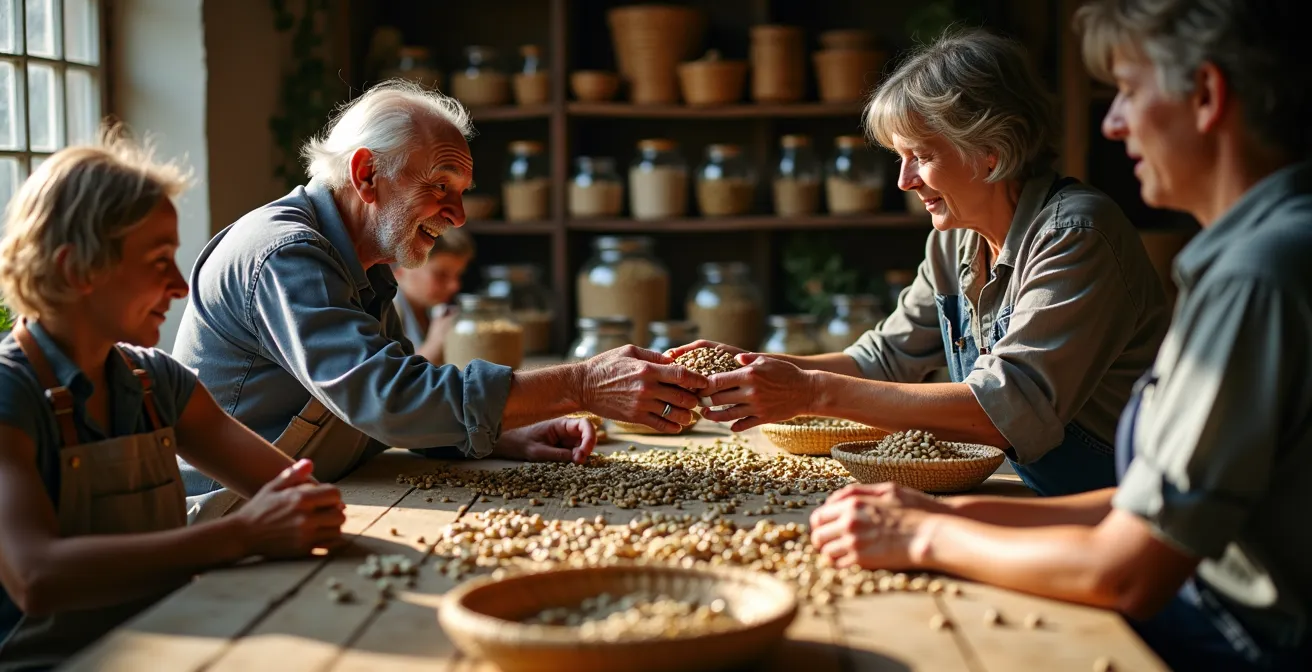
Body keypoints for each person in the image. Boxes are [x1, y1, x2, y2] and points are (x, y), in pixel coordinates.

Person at [809, 1, 1312, 669]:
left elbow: (1130, 570)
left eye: (1128, 90)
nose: (1112, 123)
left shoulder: (1254, 275)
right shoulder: (1249, 255)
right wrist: (939, 519)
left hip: (1246, 640)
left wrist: (925, 536)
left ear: (1207, 96)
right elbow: (1141, 505)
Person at [172, 80, 706, 520]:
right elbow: (390, 399)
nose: (458, 216)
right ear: (366, 175)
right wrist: (580, 384)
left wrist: (502, 435)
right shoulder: (287, 254)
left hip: (308, 499)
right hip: (229, 520)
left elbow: (401, 400)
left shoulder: (365, 265)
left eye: (462, 192)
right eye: (439, 186)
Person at [673, 30, 1170, 496]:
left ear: (991, 154)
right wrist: (747, 367)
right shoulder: (956, 240)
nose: (904, 181)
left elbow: (1002, 411)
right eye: (900, 158)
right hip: (1046, 493)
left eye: (921, 156)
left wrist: (810, 393)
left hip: (1124, 505)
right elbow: (886, 361)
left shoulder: (1075, 236)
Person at [0, 131, 346, 670]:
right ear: (76, 269)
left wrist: (300, 515)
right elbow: (36, 577)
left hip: (169, 642)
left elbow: (300, 493)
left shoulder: (155, 383)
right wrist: (240, 535)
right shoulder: (9, 393)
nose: (181, 285)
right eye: (159, 260)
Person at [392, 226, 474, 364]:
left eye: (458, 275)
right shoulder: (385, 312)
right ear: (402, 268)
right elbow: (395, 382)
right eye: (441, 275)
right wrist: (436, 342)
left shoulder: (432, 309)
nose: (455, 285)